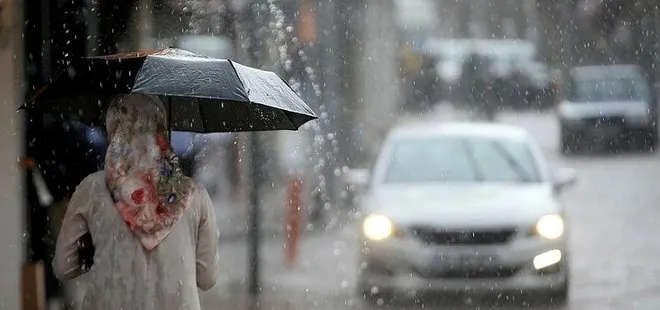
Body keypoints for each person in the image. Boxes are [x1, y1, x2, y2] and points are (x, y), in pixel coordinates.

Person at [53, 94, 220, 310]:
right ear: (160, 129)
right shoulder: (194, 194)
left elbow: (63, 267)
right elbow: (207, 278)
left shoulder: (91, 189)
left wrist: (101, 252)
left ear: (113, 131)